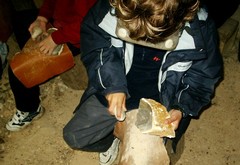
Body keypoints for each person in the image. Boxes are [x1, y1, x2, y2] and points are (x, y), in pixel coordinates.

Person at [63, 0, 223, 164]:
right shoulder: (110, 7)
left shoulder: (200, 29)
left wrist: (181, 108)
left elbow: (203, 78)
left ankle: (167, 142)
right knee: (74, 137)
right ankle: (116, 137)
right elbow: (96, 46)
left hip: (160, 101)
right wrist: (112, 86)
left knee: (142, 160)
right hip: (117, 86)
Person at [6, 0, 97, 131]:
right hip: (60, 23)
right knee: (20, 19)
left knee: (17, 71)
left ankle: (30, 110)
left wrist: (55, 39)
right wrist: (42, 18)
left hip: (79, 34)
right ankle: (35, 67)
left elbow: (90, 23)